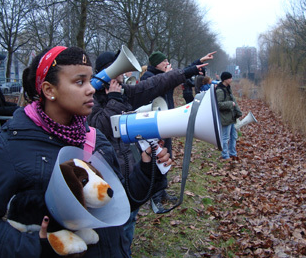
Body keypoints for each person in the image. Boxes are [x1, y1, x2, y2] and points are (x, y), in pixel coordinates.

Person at [0, 46, 172, 258]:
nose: (91, 89)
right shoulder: (15, 143)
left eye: (90, 80)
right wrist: (43, 248)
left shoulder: (95, 137)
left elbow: (114, 203)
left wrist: (147, 170)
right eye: (79, 82)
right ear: (49, 90)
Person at [87, 50, 207, 252]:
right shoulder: (90, 98)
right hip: (105, 173)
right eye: (119, 71)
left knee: (129, 223)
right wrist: (115, 99)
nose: (123, 75)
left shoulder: (123, 92)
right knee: (114, 230)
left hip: (128, 171)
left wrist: (190, 69)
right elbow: (100, 125)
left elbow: (155, 84)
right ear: (105, 73)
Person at [141, 50, 216, 212]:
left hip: (166, 121)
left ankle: (161, 192)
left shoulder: (165, 74)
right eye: (164, 61)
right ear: (156, 64)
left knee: (167, 156)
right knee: (156, 159)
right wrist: (166, 76)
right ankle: (154, 197)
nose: (168, 63)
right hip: (153, 124)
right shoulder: (147, 78)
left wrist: (199, 60)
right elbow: (154, 89)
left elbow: (183, 72)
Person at [216, 71, 242, 160]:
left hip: (231, 117)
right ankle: (225, 155)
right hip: (225, 117)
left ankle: (232, 153)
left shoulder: (228, 88)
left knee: (233, 136)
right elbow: (218, 104)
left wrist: (238, 112)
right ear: (225, 79)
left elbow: (233, 100)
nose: (231, 79)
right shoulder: (220, 90)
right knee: (225, 137)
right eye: (230, 78)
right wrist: (230, 104)